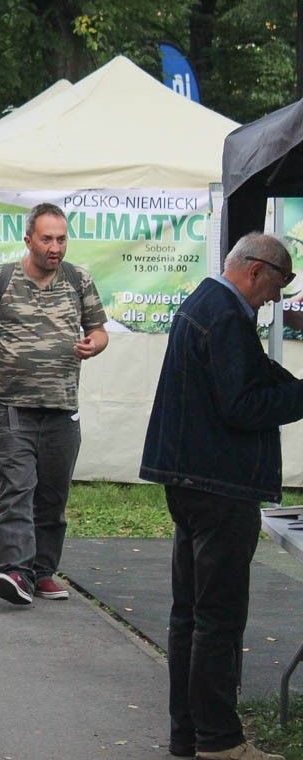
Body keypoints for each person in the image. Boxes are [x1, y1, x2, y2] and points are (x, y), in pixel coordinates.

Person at [141, 234, 303, 760]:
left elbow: (253, 376)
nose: (276, 299)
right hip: (220, 486)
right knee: (218, 618)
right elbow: (243, 404)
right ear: (256, 271)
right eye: (279, 285)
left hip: (190, 479)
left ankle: (188, 735)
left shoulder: (204, 303)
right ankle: (220, 740)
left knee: (189, 615)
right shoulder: (228, 317)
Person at [0, 202, 108, 606]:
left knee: (52, 499)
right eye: (47, 239)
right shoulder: (1, 280)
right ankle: (15, 571)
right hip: (13, 407)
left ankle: (41, 572)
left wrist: (94, 344)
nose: (55, 247)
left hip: (62, 408)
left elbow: (99, 330)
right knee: (16, 491)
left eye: (61, 239)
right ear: (28, 240)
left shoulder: (78, 279)